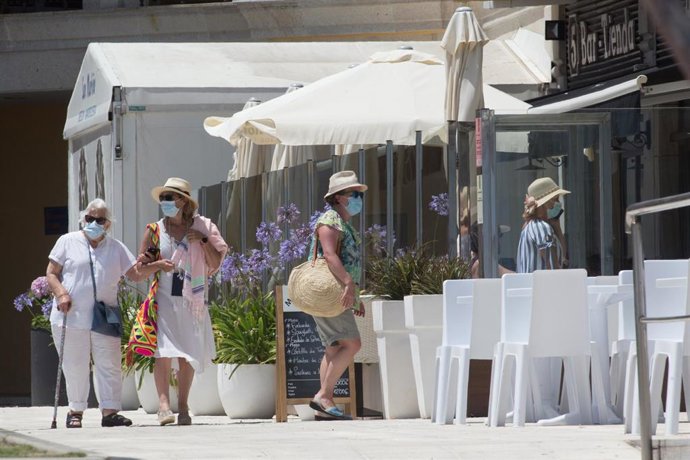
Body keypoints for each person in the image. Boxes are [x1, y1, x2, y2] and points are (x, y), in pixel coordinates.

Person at [134, 177, 227, 426]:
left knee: (188, 354)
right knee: (162, 351)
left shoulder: (203, 227)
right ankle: (164, 406)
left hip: (191, 300)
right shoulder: (154, 231)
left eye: (169, 197)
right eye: (162, 198)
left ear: (183, 201)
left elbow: (216, 263)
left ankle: (183, 404)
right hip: (163, 298)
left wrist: (203, 241)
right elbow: (138, 270)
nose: (165, 202)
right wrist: (157, 265)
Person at [46, 198, 138, 428]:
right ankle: (75, 410)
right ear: (83, 218)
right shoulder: (67, 241)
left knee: (109, 363)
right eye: (89, 218)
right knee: (74, 365)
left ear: (107, 224)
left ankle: (110, 412)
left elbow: (135, 274)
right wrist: (61, 294)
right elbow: (51, 273)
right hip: (71, 315)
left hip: (105, 315)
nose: (93, 222)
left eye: (99, 219)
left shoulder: (116, 247)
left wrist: (154, 264)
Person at [307, 171, 366, 421]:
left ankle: (325, 405)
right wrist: (348, 284)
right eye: (354, 194)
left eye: (359, 195)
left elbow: (346, 261)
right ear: (339, 197)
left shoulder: (341, 223)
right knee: (352, 343)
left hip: (337, 292)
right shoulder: (329, 221)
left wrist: (355, 295)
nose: (358, 198)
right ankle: (324, 395)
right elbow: (329, 255)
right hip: (330, 291)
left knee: (333, 347)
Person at [516, 177, 570, 273]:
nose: (558, 203)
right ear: (544, 203)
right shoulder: (542, 228)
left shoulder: (531, 226)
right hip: (543, 287)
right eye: (555, 199)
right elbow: (553, 270)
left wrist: (556, 225)